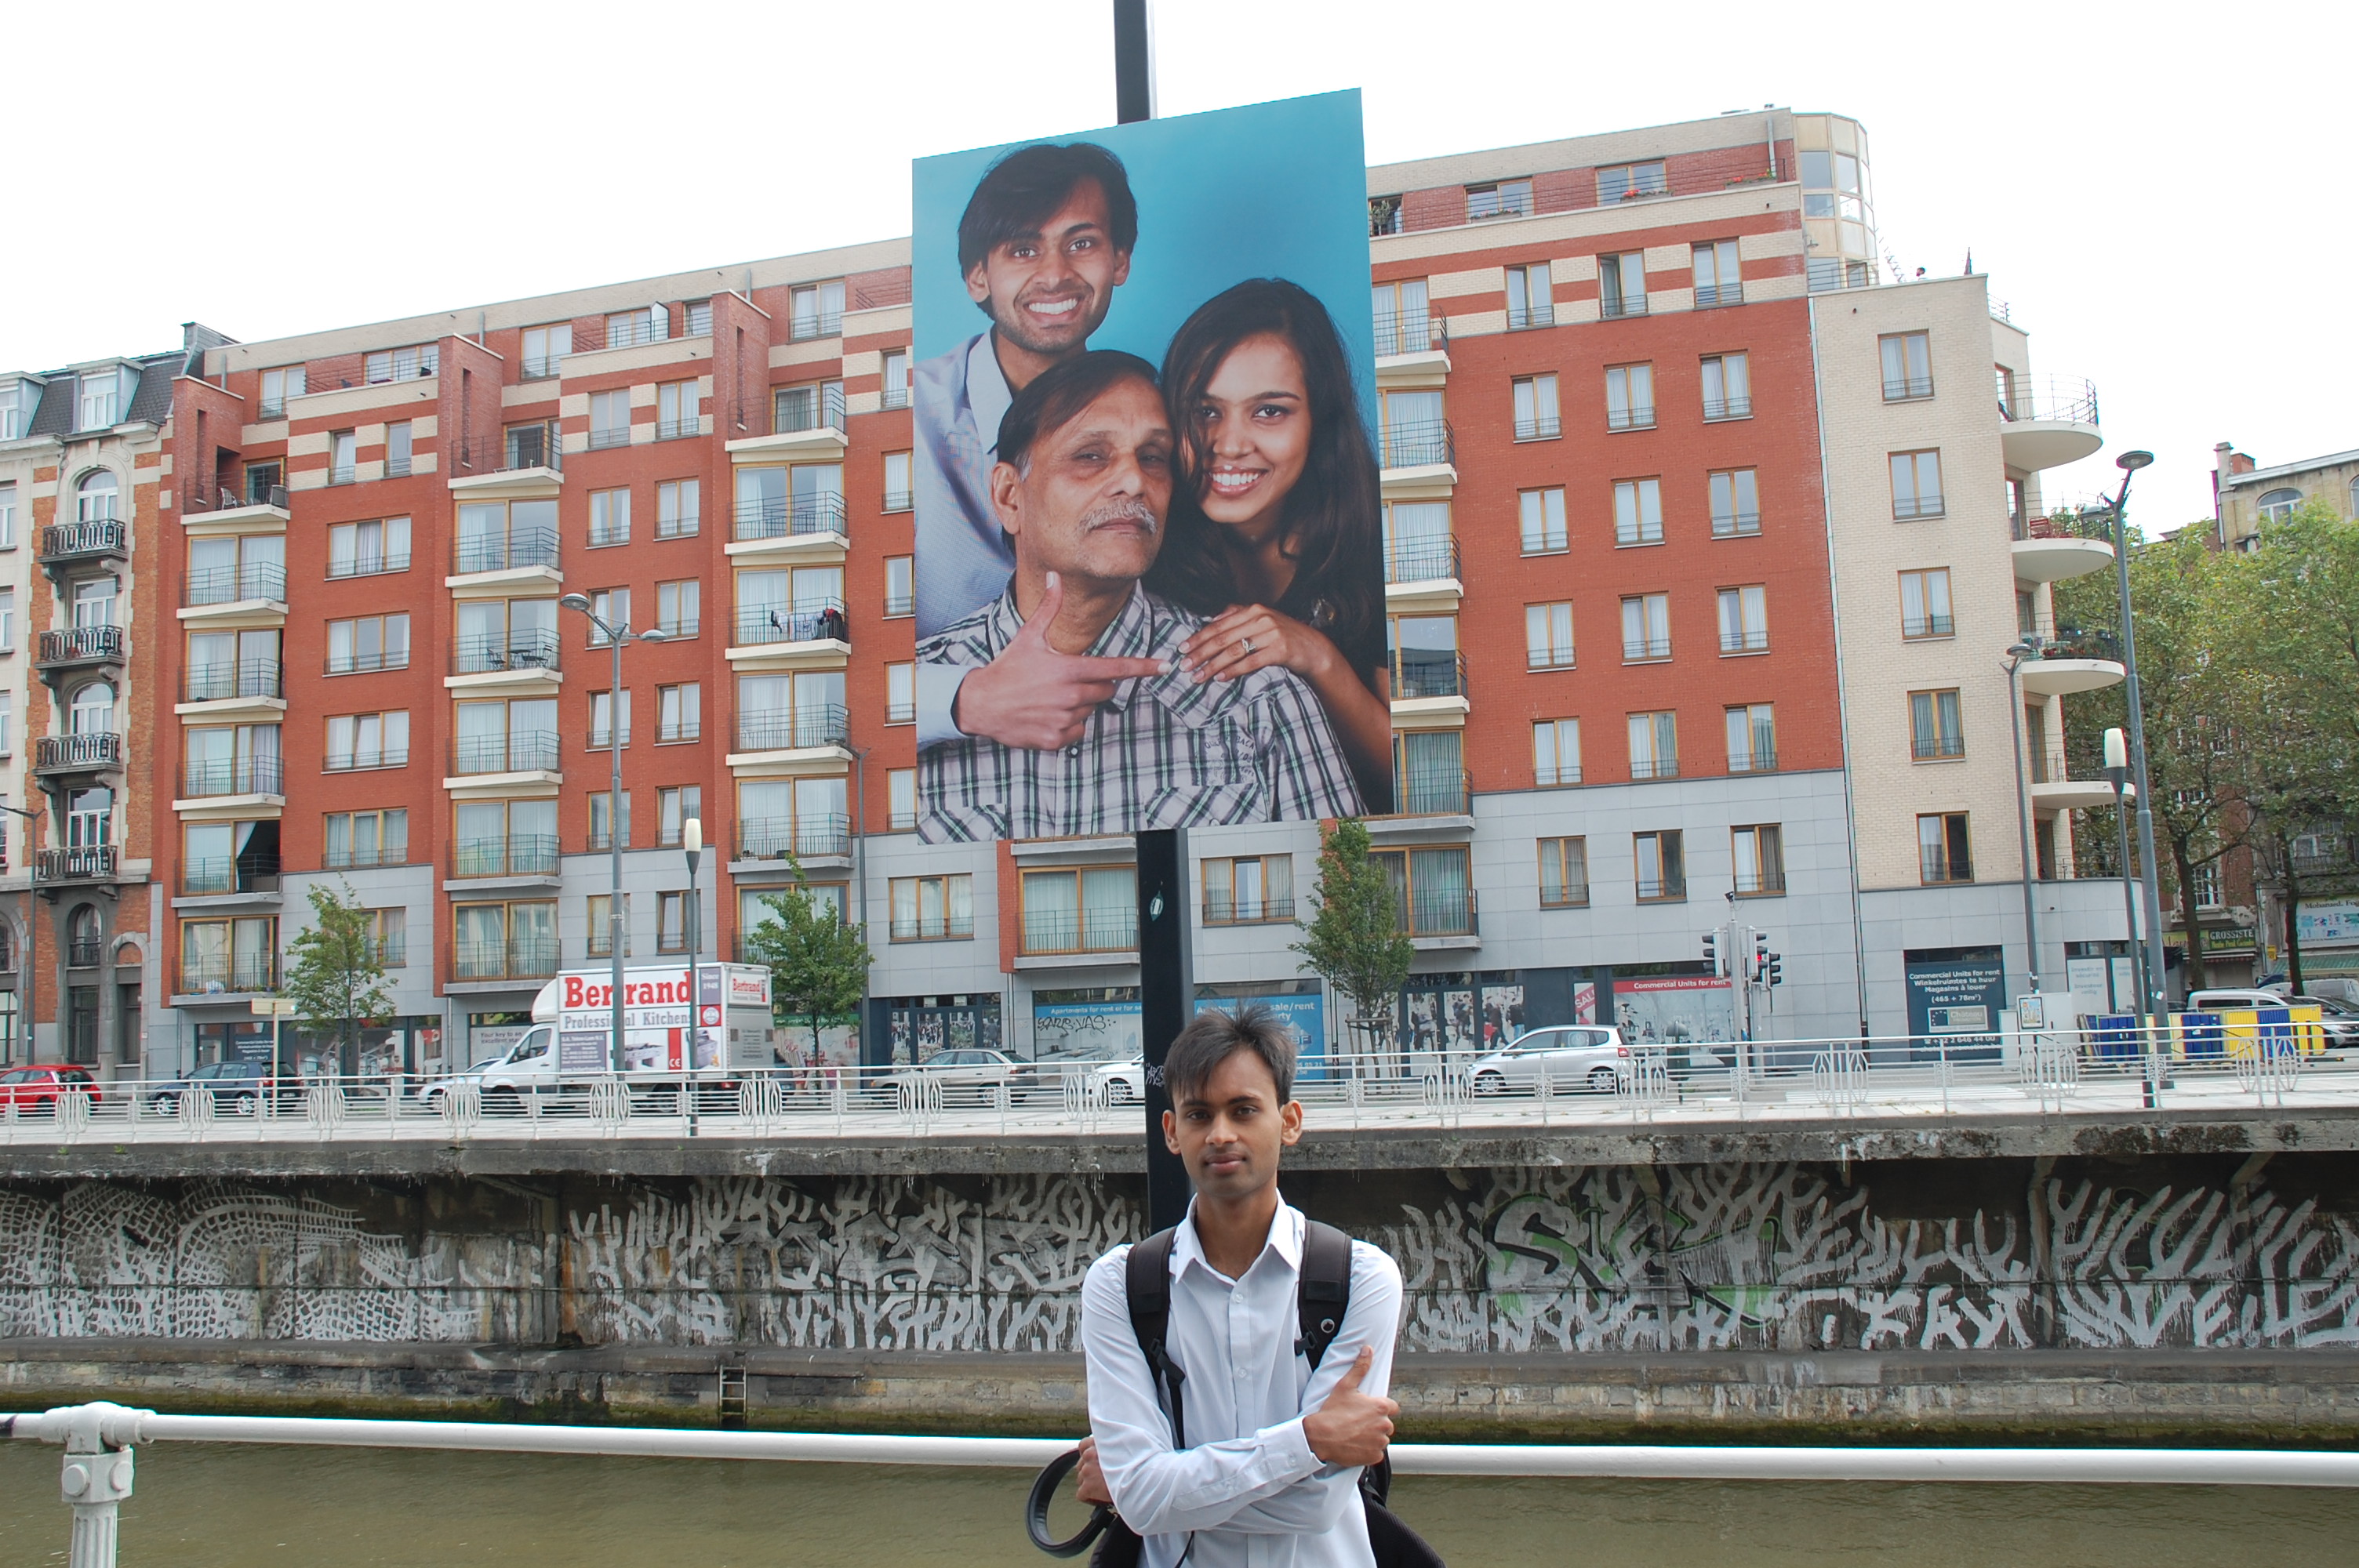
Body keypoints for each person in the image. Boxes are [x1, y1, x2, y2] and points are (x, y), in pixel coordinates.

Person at [917, 350, 1362, 840]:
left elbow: (1351, 905)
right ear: (1008, 496)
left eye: (1152, 458)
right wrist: (962, 706)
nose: (1134, 481)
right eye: (1090, 456)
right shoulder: (921, 700)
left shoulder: (1257, 697)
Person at [1074, 1007, 1405, 1568]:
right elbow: (1143, 1497)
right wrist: (1308, 1442)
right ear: (1173, 1132)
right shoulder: (1120, 1286)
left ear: (1290, 1121)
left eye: (1244, 1109)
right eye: (1200, 1114)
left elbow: (1318, 1504)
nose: (1221, 1134)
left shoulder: (1360, 1280)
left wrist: (1159, 1484)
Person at [914, 140, 1158, 755]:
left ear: (1120, 260)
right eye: (1023, 248)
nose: (1054, 274)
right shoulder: (908, 423)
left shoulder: (1150, 422)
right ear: (977, 276)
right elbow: (845, 673)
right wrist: (967, 698)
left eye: (1081, 243)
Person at [1147, 279, 1394, 808]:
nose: (1229, 445)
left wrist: (1317, 657)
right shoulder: (1145, 540)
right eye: (1205, 411)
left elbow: (1415, 767)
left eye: (1270, 411)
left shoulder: (1382, 536)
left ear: (1319, 422)